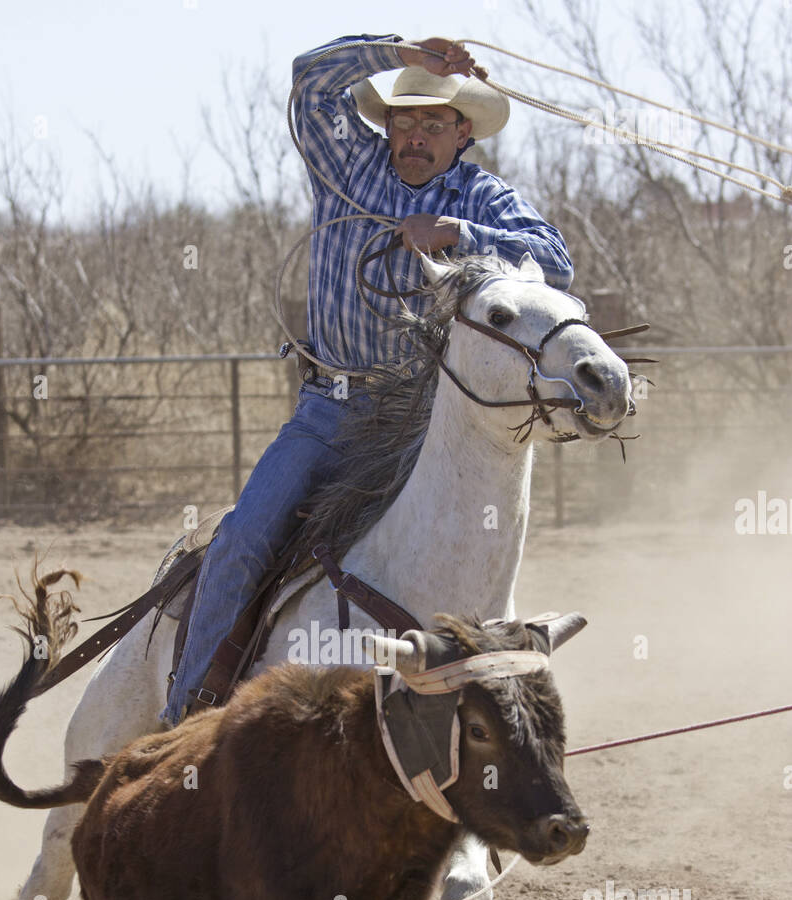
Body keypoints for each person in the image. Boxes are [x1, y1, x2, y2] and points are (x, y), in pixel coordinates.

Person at [162, 34, 572, 724]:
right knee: (243, 539)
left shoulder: (480, 196)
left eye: (434, 123)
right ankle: (188, 716)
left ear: (463, 133)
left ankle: (477, 708)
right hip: (330, 410)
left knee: (465, 550)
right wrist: (399, 52)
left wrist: (457, 233)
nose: (416, 136)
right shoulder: (347, 164)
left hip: (423, 424)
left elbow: (554, 263)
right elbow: (310, 81)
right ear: (386, 126)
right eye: (405, 120)